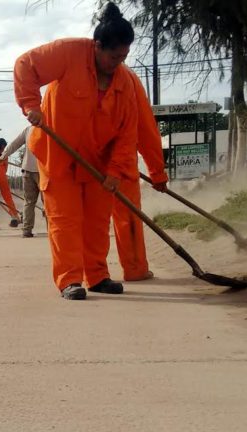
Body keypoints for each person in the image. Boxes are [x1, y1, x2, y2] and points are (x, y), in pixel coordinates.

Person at [13, 2, 140, 300]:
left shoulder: (124, 83)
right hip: (58, 155)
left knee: (97, 221)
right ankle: (70, 280)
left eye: (123, 57)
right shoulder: (69, 53)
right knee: (65, 220)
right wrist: (31, 104)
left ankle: (97, 276)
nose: (117, 63)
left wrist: (114, 172)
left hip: (98, 161)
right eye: (113, 56)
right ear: (97, 46)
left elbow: (127, 133)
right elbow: (25, 65)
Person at [113, 74, 168, 282]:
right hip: (120, 161)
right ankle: (134, 268)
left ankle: (91, 275)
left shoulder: (74, 72)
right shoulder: (127, 77)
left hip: (87, 160)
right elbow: (145, 127)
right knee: (127, 216)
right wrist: (157, 173)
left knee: (86, 219)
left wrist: (157, 172)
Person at [1, 125, 41, 238]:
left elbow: (15, 144)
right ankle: (52, 230)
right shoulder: (48, 127)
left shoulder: (28, 129)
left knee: (29, 202)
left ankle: (26, 230)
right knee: (48, 202)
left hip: (27, 169)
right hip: (43, 170)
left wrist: (4, 155)